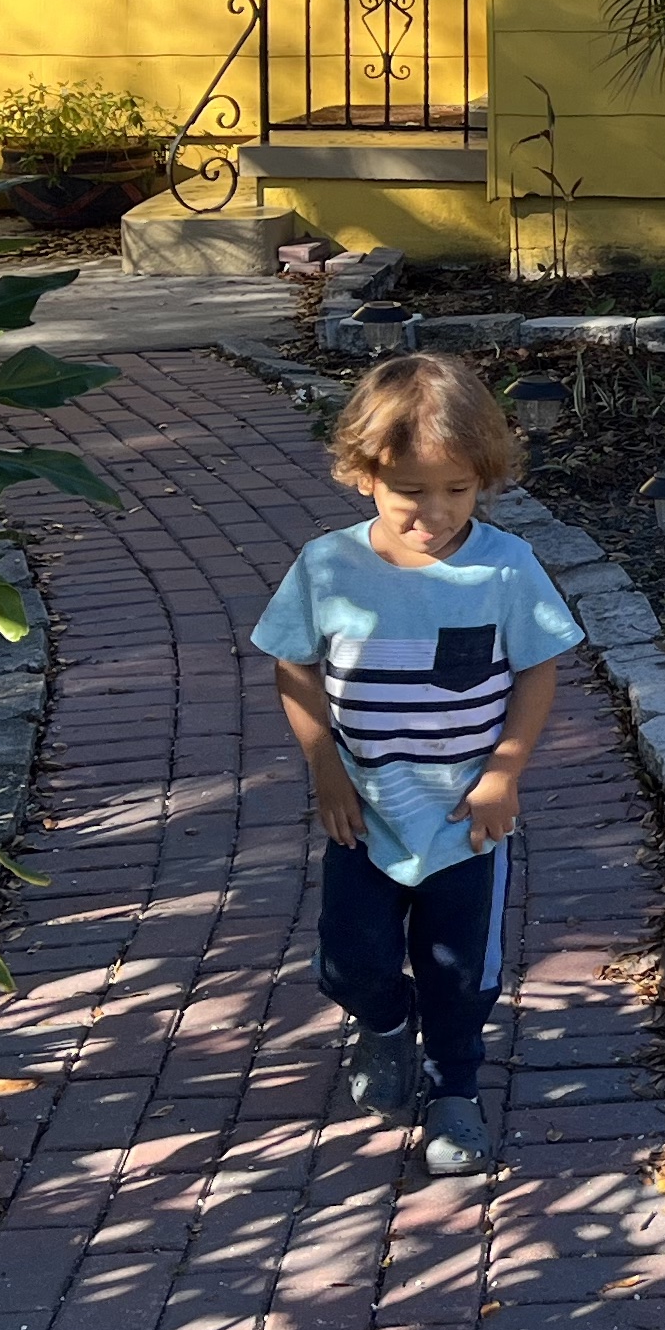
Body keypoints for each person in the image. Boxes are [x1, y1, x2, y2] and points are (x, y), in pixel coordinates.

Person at [251, 352, 582, 1176]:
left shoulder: (504, 568)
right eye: (411, 491)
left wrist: (504, 771)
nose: (434, 514)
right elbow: (292, 666)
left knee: (461, 970)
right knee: (348, 961)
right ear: (365, 475)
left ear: (485, 482)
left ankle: (455, 1091)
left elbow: (539, 668)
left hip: (464, 817)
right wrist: (324, 767)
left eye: (457, 491)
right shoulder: (327, 568)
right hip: (362, 810)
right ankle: (386, 1025)